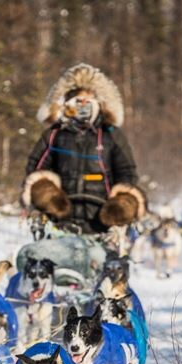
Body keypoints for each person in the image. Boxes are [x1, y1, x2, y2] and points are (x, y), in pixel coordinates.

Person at [21, 63, 146, 236]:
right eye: (78, 101)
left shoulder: (111, 135)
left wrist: (121, 201)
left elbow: (127, 171)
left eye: (88, 102)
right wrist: (46, 193)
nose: (83, 106)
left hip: (102, 221)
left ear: (99, 104)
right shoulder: (55, 134)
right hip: (60, 219)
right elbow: (36, 168)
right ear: (67, 104)